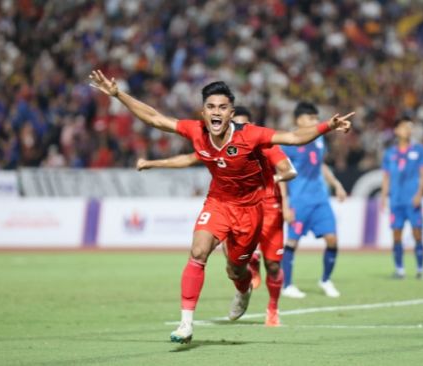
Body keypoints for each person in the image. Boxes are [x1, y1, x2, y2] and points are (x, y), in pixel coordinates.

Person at [89, 70, 353, 343]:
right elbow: (155, 118)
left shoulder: (251, 135)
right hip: (217, 203)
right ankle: (186, 324)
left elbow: (294, 138)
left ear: (230, 113)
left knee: (235, 270)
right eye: (211, 107)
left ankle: (242, 289)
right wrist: (118, 94)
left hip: (250, 212)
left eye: (223, 108)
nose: (216, 112)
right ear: (203, 112)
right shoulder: (195, 130)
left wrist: (328, 126)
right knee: (198, 251)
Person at [135, 106, 297, 327]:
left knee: (274, 265)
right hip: (227, 206)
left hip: (265, 209)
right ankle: (242, 275)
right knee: (221, 261)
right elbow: (188, 158)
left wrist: (277, 193)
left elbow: (289, 170)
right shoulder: (213, 141)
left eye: (241, 124)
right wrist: (153, 163)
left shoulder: (262, 142)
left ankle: (271, 306)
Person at [279, 102, 348, 299]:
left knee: (332, 240)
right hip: (299, 201)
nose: (315, 122)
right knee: (292, 241)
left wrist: (336, 184)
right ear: (298, 120)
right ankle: (288, 285)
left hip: (321, 200)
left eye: (316, 118)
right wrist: (285, 205)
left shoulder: (319, 141)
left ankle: (325, 280)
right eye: (311, 118)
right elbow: (280, 174)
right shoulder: (289, 143)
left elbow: (321, 165)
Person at [380, 117, 423, 279]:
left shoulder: (419, 150)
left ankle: (420, 269)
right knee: (396, 235)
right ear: (396, 131)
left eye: (410, 127)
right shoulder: (390, 153)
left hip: (412, 199)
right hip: (396, 201)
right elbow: (386, 177)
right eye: (404, 127)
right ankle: (399, 269)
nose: (408, 130)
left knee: (417, 235)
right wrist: (384, 197)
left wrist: (419, 194)